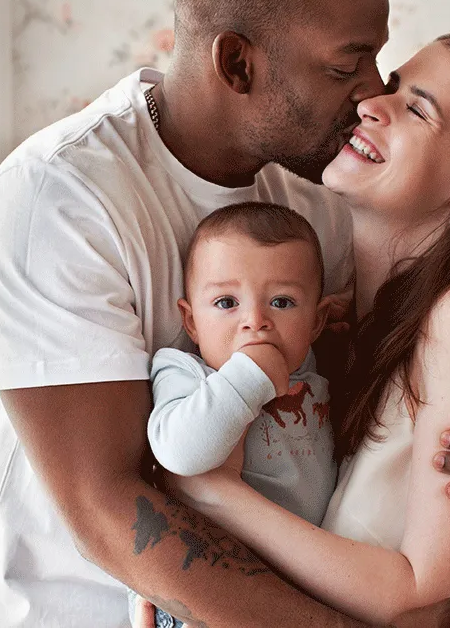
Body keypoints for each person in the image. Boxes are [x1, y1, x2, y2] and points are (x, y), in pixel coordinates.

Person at [0, 0, 450, 627]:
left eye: (383, 65)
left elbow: (418, 362)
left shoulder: (319, 198)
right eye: (347, 66)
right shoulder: (64, 197)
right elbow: (109, 510)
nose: (369, 95)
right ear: (237, 64)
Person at [160, 31, 450, 626]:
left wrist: (216, 496)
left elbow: (437, 596)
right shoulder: (327, 287)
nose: (369, 104)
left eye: (415, 109)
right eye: (390, 88)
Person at [137, 202, 340, 628]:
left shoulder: (318, 373)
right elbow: (180, 454)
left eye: (282, 302)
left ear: (318, 322)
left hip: (299, 589)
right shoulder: (186, 372)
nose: (255, 322)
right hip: (208, 594)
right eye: (227, 302)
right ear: (191, 322)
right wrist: (251, 376)